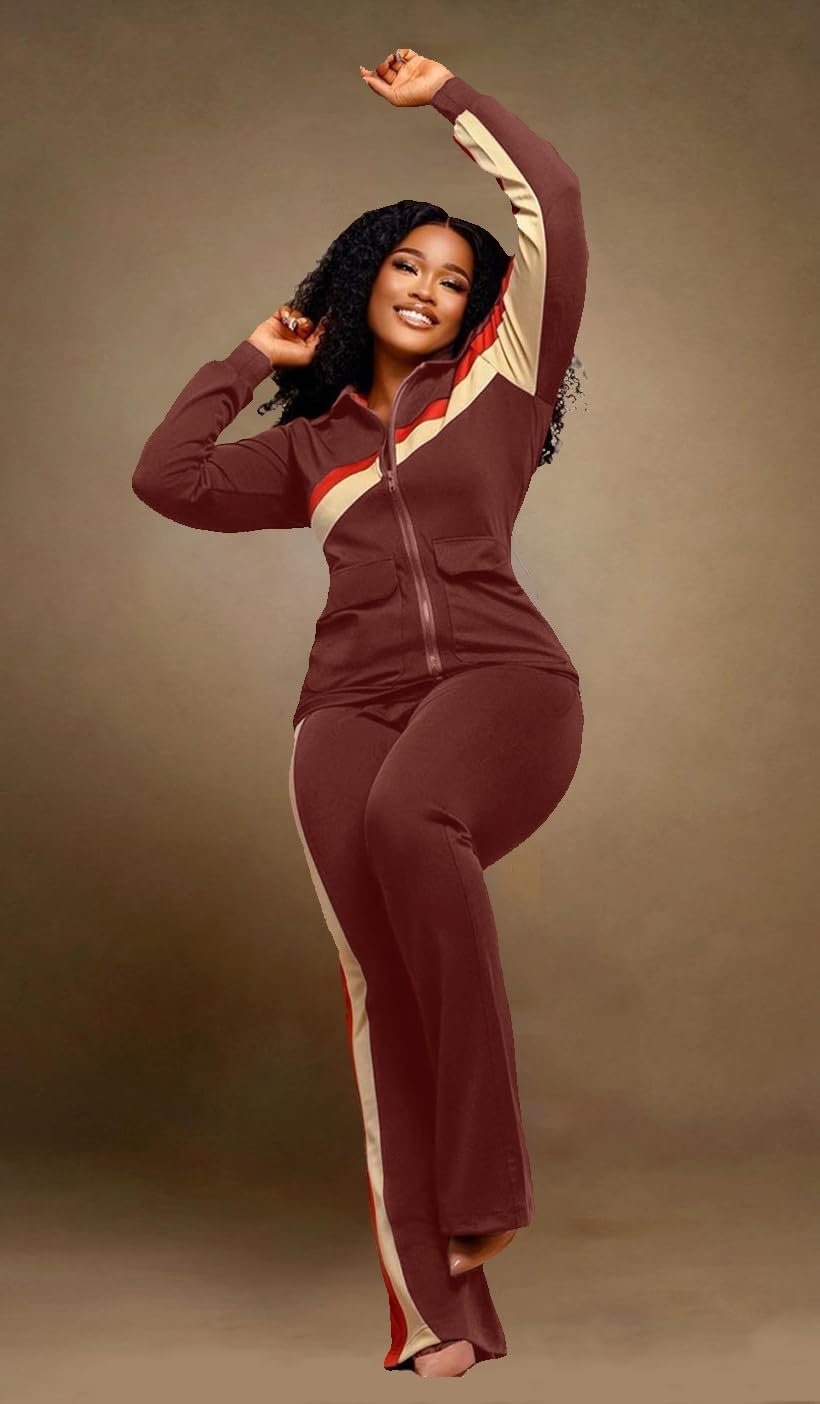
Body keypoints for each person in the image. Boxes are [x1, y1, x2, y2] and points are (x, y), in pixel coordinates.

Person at [132, 46, 589, 1379]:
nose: (430, 289)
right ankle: (440, 1318)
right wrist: (247, 359)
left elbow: (554, 204)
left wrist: (452, 99)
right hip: (345, 707)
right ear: (361, 279)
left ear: (478, 309)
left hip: (503, 682)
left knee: (410, 821)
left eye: (453, 279)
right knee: (381, 992)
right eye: (406, 265)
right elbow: (169, 479)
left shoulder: (507, 379)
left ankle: (488, 1181)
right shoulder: (311, 448)